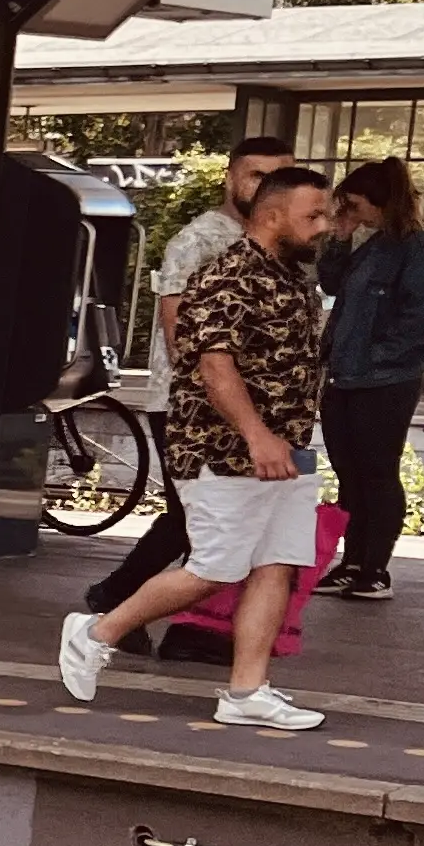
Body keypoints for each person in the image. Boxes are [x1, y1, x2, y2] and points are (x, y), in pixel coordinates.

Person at [59, 163, 336, 732]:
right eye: (314, 214)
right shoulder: (230, 275)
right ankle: (97, 630)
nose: (325, 225)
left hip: (286, 449)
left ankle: (246, 691)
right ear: (273, 215)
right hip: (225, 451)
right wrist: (257, 435)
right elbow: (214, 365)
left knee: (276, 567)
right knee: (214, 568)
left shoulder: (291, 277)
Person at [89, 133, 299, 615]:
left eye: (280, 176)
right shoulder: (200, 241)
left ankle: (175, 619)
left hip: (257, 410)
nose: (268, 186)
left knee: (227, 520)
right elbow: (179, 332)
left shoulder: (281, 244)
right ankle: (117, 601)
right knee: (198, 518)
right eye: (257, 174)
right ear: (231, 178)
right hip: (193, 407)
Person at [316, 157, 424, 601]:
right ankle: (353, 561)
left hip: (385, 379)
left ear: (377, 200)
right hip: (347, 375)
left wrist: (377, 356)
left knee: (378, 472)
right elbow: (331, 284)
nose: (349, 209)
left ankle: (375, 567)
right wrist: (340, 239)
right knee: (350, 472)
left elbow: (418, 317)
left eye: (355, 203)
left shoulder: (415, 249)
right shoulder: (373, 244)